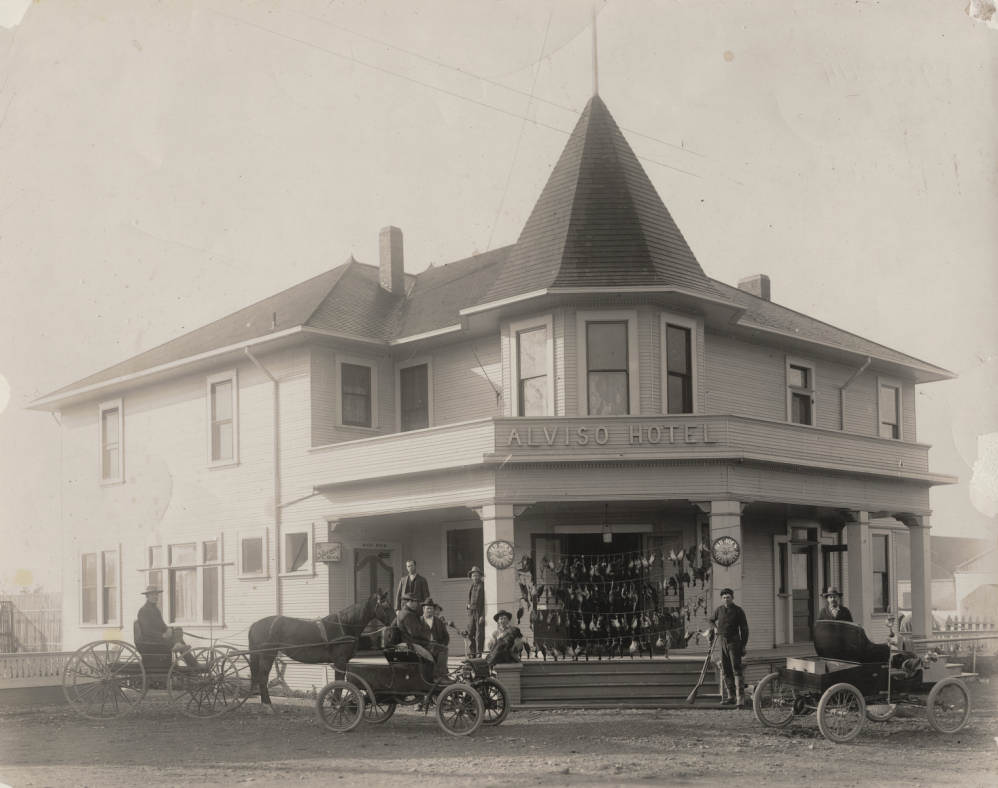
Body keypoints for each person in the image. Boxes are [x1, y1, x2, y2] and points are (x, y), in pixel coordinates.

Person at [135, 585, 198, 668]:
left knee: (178, 630)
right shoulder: (143, 611)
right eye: (152, 595)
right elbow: (146, 631)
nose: (155, 597)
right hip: (150, 642)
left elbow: (162, 625)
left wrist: (168, 629)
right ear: (147, 596)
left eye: (156, 595)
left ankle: (190, 661)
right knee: (177, 642)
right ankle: (193, 664)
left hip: (158, 639)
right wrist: (162, 635)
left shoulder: (155, 609)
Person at [709, 587, 749, 709]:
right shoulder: (719, 610)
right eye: (724, 597)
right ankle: (731, 697)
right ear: (722, 599)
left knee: (736, 668)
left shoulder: (738, 611)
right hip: (722, 643)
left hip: (734, 643)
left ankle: (740, 699)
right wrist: (715, 627)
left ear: (732, 598)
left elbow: (745, 629)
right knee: (726, 669)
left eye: (728, 597)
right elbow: (711, 620)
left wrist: (743, 645)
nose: (726, 599)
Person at [421, 597, 450, 679]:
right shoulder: (419, 621)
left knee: (443, 651)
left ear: (433, 609)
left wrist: (441, 645)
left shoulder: (439, 622)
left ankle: (440, 677)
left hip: (437, 647)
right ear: (423, 609)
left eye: (431, 608)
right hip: (423, 647)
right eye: (428, 608)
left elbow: (446, 637)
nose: (429, 610)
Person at [466, 566, 485, 658]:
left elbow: (486, 602)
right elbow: (469, 599)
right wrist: (468, 605)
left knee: (479, 634)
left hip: (479, 612)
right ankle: (472, 652)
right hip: (471, 613)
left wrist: (482, 615)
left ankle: (479, 653)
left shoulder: (483, 586)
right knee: (470, 633)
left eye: (477, 575)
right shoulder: (472, 586)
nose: (475, 577)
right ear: (471, 577)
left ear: (480, 576)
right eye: (473, 576)